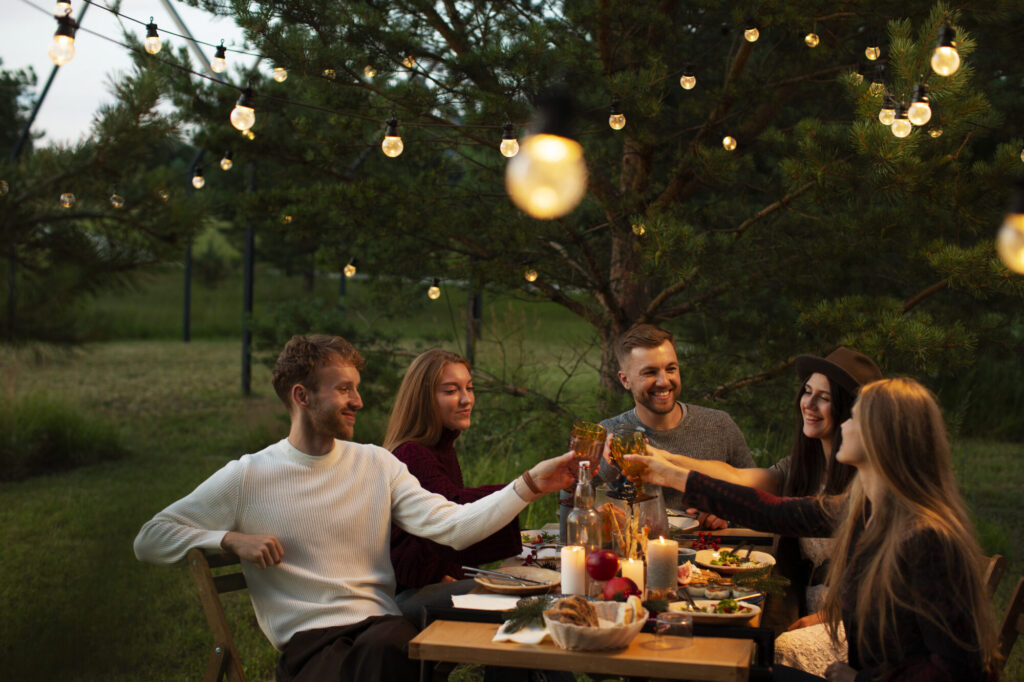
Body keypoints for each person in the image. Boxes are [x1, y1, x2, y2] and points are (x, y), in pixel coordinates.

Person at [133, 334, 576, 682]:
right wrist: (229, 539)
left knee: (394, 644)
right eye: (345, 390)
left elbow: (454, 526)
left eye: (357, 389)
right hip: (312, 645)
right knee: (391, 652)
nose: (359, 402)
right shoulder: (249, 475)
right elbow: (151, 536)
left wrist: (531, 484)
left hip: (381, 629)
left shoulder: (376, 464)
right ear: (303, 397)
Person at [625, 377, 999, 681]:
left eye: (854, 417)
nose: (845, 424)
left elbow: (958, 669)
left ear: (881, 437)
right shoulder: (865, 509)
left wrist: (859, 680)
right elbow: (772, 512)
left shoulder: (925, 538)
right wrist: (673, 475)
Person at [649, 348, 882, 619]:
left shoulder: (870, 482)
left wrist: (824, 618)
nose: (808, 404)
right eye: (807, 392)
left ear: (851, 412)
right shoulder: (801, 468)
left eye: (824, 398)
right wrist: (664, 458)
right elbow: (735, 476)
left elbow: (881, 577)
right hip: (800, 608)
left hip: (854, 618)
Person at [384, 349, 521, 607]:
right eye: (451, 391)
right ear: (424, 399)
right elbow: (456, 511)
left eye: (469, 388)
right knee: (520, 596)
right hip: (409, 595)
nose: (465, 399)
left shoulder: (441, 449)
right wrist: (526, 487)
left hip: (436, 582)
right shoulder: (412, 454)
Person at [593, 324, 754, 524]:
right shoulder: (609, 432)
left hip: (709, 550)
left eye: (671, 369)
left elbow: (756, 495)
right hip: (635, 550)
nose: (664, 381)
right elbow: (579, 505)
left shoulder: (719, 425)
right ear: (625, 380)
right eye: (650, 372)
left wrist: (727, 515)